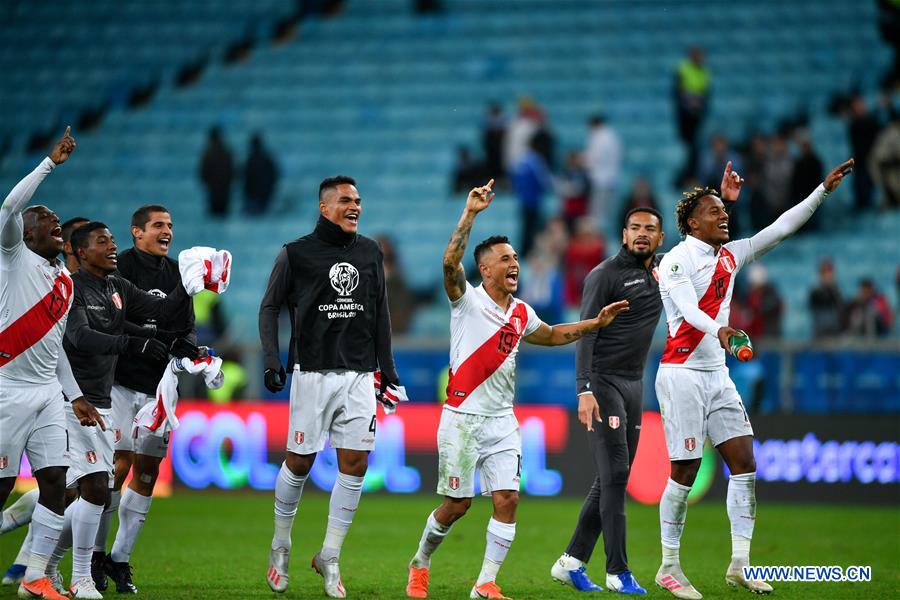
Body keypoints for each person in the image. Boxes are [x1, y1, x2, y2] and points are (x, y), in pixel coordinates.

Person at [404, 179, 629, 600]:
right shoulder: (466, 300)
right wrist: (470, 213)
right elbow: (449, 264)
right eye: (505, 259)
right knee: (457, 506)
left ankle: (485, 582)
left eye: (515, 259)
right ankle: (420, 562)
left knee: (507, 498)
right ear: (485, 269)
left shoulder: (521, 312)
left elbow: (553, 334)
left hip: (502, 421)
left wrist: (594, 324)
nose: (514, 265)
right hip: (463, 419)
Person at [653, 158, 853, 598]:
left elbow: (779, 229)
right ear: (691, 222)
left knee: (744, 465)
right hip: (681, 373)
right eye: (714, 212)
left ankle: (739, 564)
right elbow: (687, 310)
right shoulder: (675, 260)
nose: (724, 216)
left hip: (716, 374)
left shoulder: (731, 254)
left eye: (724, 212)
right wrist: (721, 329)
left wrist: (822, 191)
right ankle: (668, 566)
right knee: (684, 471)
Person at [550, 164, 742, 595]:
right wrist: (583, 389)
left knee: (612, 477)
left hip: (635, 384)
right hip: (602, 383)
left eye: (649, 229)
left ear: (660, 238)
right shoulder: (603, 276)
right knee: (616, 475)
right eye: (633, 227)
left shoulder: (665, 273)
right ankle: (618, 571)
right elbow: (584, 333)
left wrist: (725, 205)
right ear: (623, 235)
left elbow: (701, 250)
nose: (640, 234)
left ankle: (570, 561)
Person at [259, 175, 399, 597]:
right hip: (312, 372)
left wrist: (387, 369)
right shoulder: (295, 253)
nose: (355, 206)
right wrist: (271, 359)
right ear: (324, 208)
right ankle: (280, 545)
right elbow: (269, 307)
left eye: (358, 200)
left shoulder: (371, 251)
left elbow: (381, 313)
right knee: (299, 463)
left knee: (356, 464)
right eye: (345, 201)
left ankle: (330, 556)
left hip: (359, 374)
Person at [47, 221, 199, 599]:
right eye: (103, 242)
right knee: (95, 483)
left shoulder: (118, 284)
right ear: (81, 252)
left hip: (124, 396)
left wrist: (192, 283)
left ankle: (60, 564)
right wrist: (134, 343)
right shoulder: (80, 285)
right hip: (85, 396)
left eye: (112, 241)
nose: (111, 247)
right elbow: (80, 336)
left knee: (108, 483)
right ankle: (68, 567)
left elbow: (166, 312)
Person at [0, 128, 97, 600]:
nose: (55, 221)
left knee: (57, 482)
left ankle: (34, 576)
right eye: (46, 219)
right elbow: (8, 208)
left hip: (46, 396)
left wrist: (74, 395)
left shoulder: (65, 281)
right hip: (7, 389)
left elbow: (55, 344)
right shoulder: (12, 256)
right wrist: (49, 164)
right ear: (27, 232)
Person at [93, 205, 198, 594]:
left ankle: (120, 560)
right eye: (158, 226)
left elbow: (185, 325)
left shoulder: (178, 275)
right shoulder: (119, 270)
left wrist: (192, 350)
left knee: (148, 473)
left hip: (160, 390)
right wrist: (152, 338)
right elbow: (112, 320)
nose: (166, 231)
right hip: (119, 383)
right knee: (115, 468)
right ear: (137, 232)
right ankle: (95, 556)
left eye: (170, 225)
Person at [673, 47, 711, 186]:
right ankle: (684, 178)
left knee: (696, 149)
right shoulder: (683, 69)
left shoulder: (705, 72)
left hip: (698, 116)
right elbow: (677, 93)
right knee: (689, 148)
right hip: (685, 116)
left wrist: (700, 105)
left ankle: (692, 177)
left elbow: (707, 94)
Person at [510, 138, 554, 258]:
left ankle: (524, 252)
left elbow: (514, 179)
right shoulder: (535, 160)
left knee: (525, 227)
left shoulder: (519, 160)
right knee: (534, 227)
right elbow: (544, 181)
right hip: (534, 200)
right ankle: (531, 252)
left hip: (523, 199)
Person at [585, 114, 622, 232]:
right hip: (612, 178)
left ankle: (600, 238)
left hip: (600, 180)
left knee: (598, 215)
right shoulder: (613, 136)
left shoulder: (598, 137)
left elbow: (593, 158)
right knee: (609, 214)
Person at [199, 126, 234, 217]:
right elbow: (233, 171)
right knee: (224, 216)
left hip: (213, 191)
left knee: (213, 217)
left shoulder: (208, 154)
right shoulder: (227, 152)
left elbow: (203, 173)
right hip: (225, 190)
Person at [243, 133, 280, 215]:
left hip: (254, 196)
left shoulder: (250, 160)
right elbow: (274, 176)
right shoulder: (267, 159)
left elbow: (245, 179)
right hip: (263, 195)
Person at [808, 259, 845, 338]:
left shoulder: (837, 291)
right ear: (820, 275)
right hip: (821, 334)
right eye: (825, 273)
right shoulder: (815, 292)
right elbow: (822, 302)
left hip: (836, 334)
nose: (829, 276)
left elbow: (841, 311)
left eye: (830, 272)